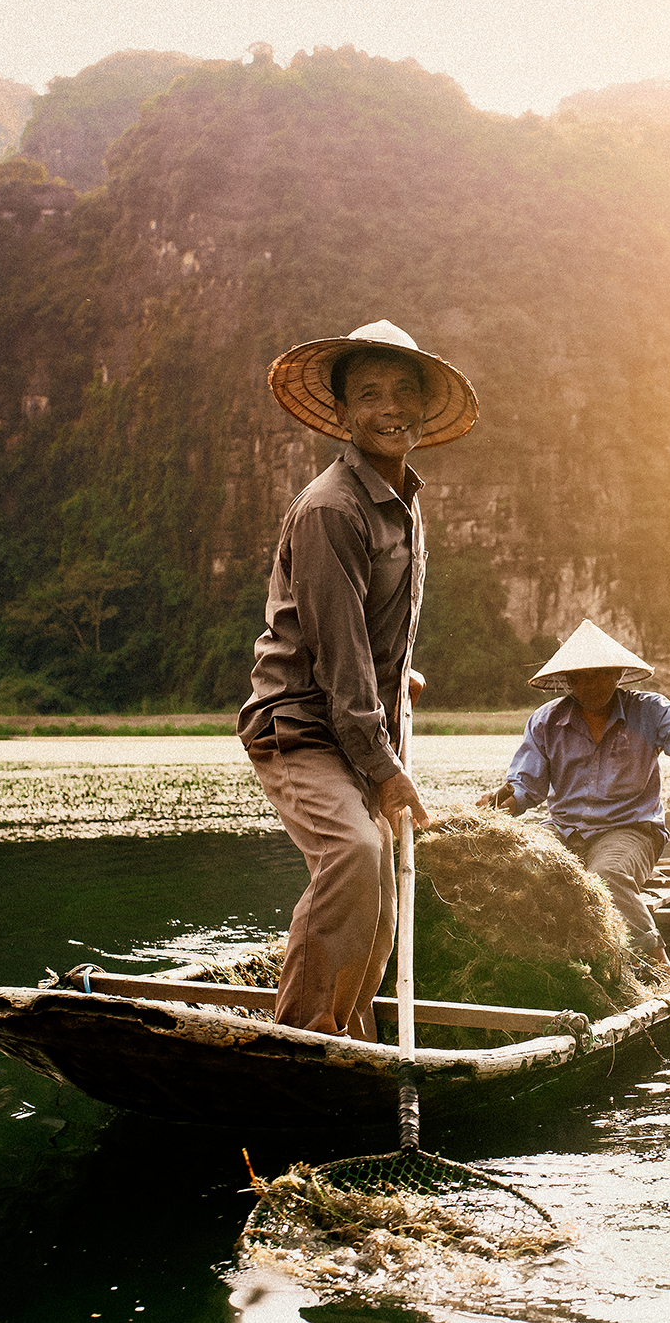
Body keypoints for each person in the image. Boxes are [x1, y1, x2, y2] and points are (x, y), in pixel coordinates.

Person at [239, 319, 478, 1039]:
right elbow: (339, 662)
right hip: (300, 726)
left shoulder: (404, 503)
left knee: (381, 896)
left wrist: (400, 679)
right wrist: (387, 770)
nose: (389, 406)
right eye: (368, 393)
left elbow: (372, 637)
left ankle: (351, 1036)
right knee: (354, 855)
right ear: (343, 414)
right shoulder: (331, 509)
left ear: (425, 407)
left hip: (353, 722)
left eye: (405, 390)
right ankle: (305, 1037)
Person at [478, 620, 670, 975]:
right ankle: (539, 964)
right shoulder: (546, 722)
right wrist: (501, 803)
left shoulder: (647, 711)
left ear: (618, 674)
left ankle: (659, 965)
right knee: (520, 865)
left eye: (601, 675)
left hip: (631, 830)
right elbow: (525, 786)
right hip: (564, 829)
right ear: (569, 681)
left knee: (605, 876)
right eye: (582, 678)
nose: (592, 685)